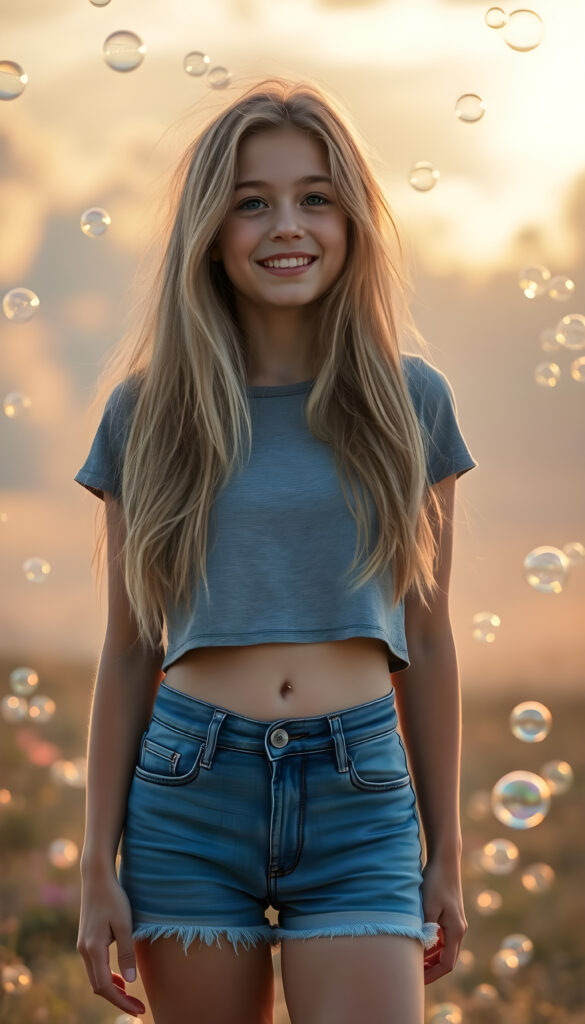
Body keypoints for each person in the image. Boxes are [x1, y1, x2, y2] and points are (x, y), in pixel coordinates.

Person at [75, 76, 477, 1024]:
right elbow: (129, 647)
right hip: (187, 795)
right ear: (210, 231)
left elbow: (430, 634)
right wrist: (98, 864)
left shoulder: (409, 401)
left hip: (359, 793)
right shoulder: (147, 412)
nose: (286, 225)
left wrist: (446, 855)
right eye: (251, 202)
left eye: (315, 198)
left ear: (352, 223)